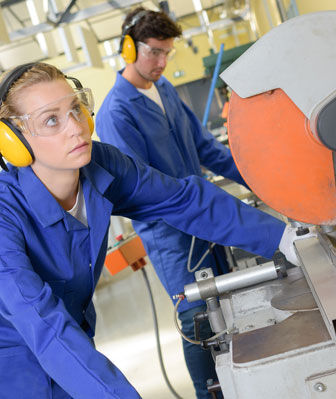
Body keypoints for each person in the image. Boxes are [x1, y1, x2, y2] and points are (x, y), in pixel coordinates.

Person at [0, 62, 295, 398]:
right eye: (51, 120)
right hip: (7, 356)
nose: (75, 128)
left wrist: (285, 240)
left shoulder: (102, 164)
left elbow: (183, 200)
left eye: (75, 109)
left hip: (69, 334)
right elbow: (37, 319)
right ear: (13, 139)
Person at [95, 8, 248, 397]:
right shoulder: (117, 112)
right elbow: (140, 187)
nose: (163, 62)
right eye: (154, 52)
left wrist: (255, 178)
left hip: (206, 221)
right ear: (129, 48)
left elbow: (204, 147)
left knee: (226, 308)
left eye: (168, 53)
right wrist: (200, 207)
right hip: (172, 238)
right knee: (197, 319)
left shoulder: (164, 91)